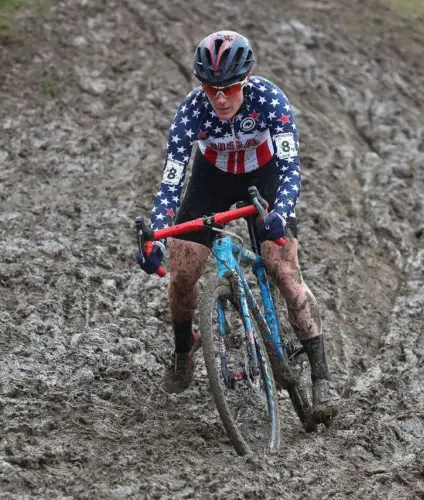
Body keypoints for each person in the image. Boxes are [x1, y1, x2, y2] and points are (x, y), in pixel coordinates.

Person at [135, 30, 338, 421]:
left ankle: (321, 376)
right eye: (211, 89)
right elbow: (171, 184)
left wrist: (280, 211)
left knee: (284, 270)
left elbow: (290, 169)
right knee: (181, 275)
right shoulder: (191, 112)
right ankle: (184, 347)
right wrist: (156, 240)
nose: (221, 98)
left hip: (263, 178)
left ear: (245, 81)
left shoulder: (269, 100)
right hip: (210, 180)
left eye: (229, 88)